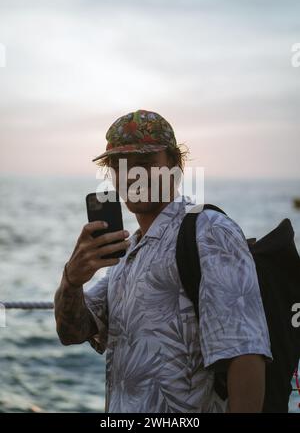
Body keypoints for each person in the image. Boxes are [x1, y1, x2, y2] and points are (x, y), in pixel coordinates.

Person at [54, 109, 272, 413]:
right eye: (120, 166)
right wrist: (72, 279)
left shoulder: (209, 231)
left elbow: (246, 355)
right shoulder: (128, 253)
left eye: (144, 164)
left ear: (175, 168)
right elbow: (72, 333)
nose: (132, 176)